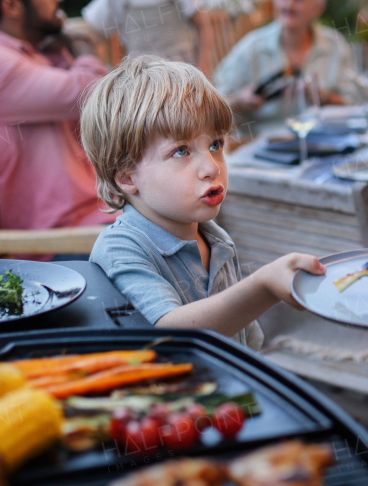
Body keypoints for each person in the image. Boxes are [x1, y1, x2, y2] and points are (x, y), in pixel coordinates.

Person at [80, 56, 326, 349]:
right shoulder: (122, 247)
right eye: (181, 151)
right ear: (127, 178)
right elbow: (173, 332)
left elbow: (244, 341)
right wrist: (263, 286)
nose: (211, 167)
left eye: (215, 145)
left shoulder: (213, 237)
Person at [0, 0, 116, 259]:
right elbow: (96, 95)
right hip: (54, 242)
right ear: (11, 5)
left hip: (99, 220)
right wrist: (82, 47)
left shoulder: (35, 55)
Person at [211, 0, 361, 128]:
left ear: (318, 8)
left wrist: (321, 96)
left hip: (327, 140)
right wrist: (241, 100)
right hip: (264, 143)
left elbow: (356, 103)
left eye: (299, 0)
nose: (288, 5)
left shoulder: (336, 46)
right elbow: (213, 105)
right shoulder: (252, 47)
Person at [81, 0, 211, 66]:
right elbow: (94, 32)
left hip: (182, 71)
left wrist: (203, 69)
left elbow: (203, 26)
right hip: (140, 77)